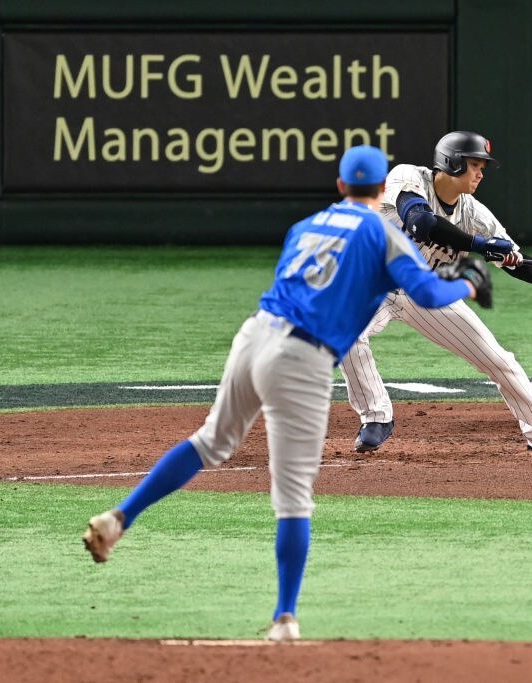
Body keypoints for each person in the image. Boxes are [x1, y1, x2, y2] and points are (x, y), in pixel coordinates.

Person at [81, 145, 494, 642]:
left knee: (211, 442)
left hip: (254, 335)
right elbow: (427, 294)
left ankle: (120, 516)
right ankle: (285, 618)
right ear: (381, 189)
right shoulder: (382, 232)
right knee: (294, 496)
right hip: (300, 360)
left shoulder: (307, 226)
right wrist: (468, 283)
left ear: (340, 187)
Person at [339, 130, 532, 453]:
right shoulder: (409, 177)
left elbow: (520, 265)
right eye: (474, 165)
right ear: (451, 163)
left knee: (498, 359)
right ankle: (377, 416)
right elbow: (420, 222)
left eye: (482, 167)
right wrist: (480, 245)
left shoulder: (475, 215)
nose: (481, 174)